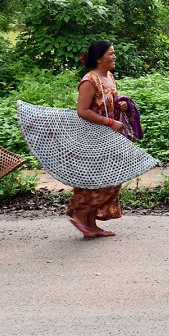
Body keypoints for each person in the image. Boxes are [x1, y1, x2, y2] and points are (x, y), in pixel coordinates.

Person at [67, 41, 128, 239]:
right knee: (93, 179)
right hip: (91, 138)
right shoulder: (89, 81)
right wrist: (109, 122)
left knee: (107, 178)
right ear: (99, 58)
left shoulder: (108, 76)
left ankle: (91, 226)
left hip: (108, 138)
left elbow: (109, 103)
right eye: (111, 54)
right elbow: (82, 111)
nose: (114, 56)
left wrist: (122, 107)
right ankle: (81, 214)